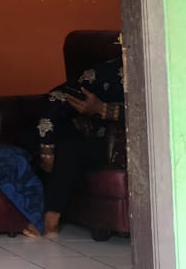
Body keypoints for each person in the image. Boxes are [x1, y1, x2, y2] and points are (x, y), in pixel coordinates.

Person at [26, 55, 125, 237]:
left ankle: (51, 220)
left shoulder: (164, 73)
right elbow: (60, 96)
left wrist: (106, 110)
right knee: (45, 138)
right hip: (97, 137)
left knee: (70, 149)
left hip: (133, 145)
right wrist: (46, 143)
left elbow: (158, 111)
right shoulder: (109, 71)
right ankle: (31, 210)